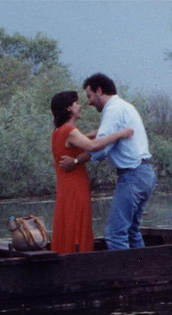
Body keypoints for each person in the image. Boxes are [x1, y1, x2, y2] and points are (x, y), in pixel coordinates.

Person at [59, 73, 156, 250]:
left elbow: (101, 149)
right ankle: (142, 272)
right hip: (145, 173)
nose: (88, 102)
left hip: (133, 174)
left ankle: (126, 277)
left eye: (89, 96)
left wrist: (75, 161)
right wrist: (84, 138)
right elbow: (102, 138)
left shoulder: (113, 110)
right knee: (132, 231)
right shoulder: (123, 106)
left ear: (99, 90)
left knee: (115, 234)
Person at [50, 90, 133, 254]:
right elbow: (93, 147)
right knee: (78, 223)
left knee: (69, 224)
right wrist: (119, 134)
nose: (80, 106)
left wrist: (95, 133)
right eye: (76, 103)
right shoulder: (69, 131)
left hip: (66, 187)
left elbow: (78, 143)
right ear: (69, 109)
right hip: (75, 187)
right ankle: (79, 258)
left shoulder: (58, 132)